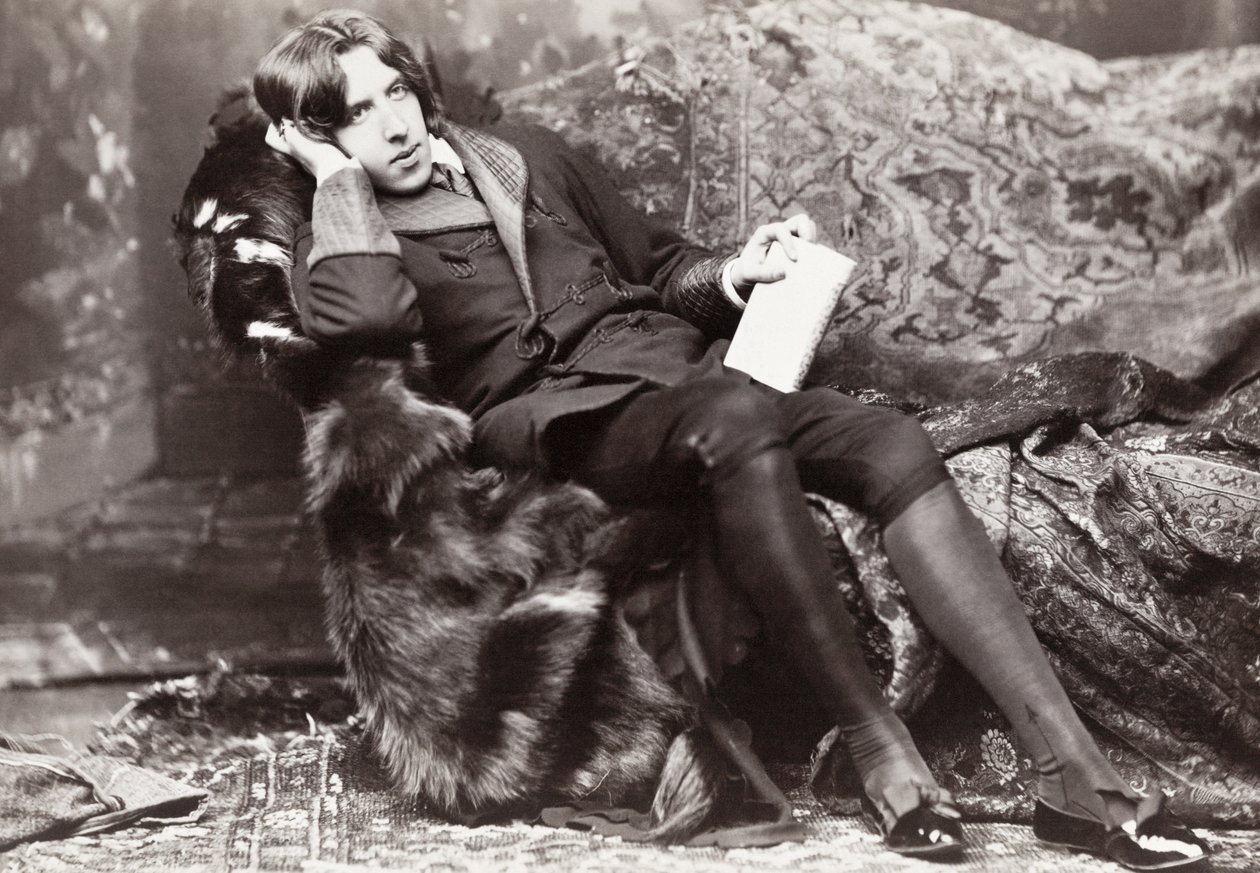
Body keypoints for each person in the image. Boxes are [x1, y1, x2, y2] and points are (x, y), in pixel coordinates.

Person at [252, 9, 1208, 868]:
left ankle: (1074, 778)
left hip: (679, 375)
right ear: (316, 138)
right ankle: (878, 746)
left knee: (891, 442)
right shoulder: (340, 235)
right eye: (355, 116)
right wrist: (336, 182)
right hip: (555, 422)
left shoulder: (525, 155)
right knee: (738, 414)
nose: (393, 124)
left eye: (396, 92)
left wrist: (734, 275)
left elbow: (656, 264)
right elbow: (367, 319)